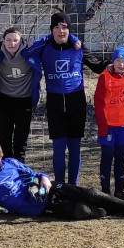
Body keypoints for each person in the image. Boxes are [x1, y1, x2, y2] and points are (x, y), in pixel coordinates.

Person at [0, 137, 124, 221]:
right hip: (38, 208)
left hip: (46, 189)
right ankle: (108, 211)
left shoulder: (11, 163)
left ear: (0, 156)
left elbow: (34, 174)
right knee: (82, 209)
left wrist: (44, 179)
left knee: (89, 193)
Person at [29, 12, 96, 185]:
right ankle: (59, 185)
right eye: (57, 27)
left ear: (70, 30)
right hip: (55, 102)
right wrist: (47, 38)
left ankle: (73, 185)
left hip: (76, 101)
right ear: (51, 30)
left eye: (65, 28)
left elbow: (97, 65)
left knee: (74, 148)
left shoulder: (78, 47)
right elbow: (27, 52)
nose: (61, 31)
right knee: (58, 148)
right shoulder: (45, 47)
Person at [0, 28, 43, 163]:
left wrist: (74, 40)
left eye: (15, 40)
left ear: (21, 41)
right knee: (4, 139)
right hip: (5, 100)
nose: (12, 43)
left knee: (20, 140)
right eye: (8, 40)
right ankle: (6, 168)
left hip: (25, 101)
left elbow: (51, 39)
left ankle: (19, 169)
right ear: (3, 42)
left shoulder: (30, 52)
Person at [92, 47, 124, 199]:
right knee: (107, 156)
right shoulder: (104, 77)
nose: (121, 64)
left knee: (121, 157)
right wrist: (102, 127)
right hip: (108, 126)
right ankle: (105, 191)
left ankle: (120, 190)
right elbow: (99, 103)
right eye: (118, 61)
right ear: (112, 62)